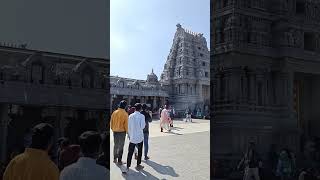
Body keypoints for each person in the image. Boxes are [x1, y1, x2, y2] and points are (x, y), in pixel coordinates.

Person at [124, 103, 145, 173]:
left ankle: (127, 166)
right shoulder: (142, 116)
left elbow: (128, 127)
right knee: (139, 151)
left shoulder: (130, 116)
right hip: (139, 137)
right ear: (140, 109)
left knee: (130, 152)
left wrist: (129, 135)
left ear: (135, 108)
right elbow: (142, 127)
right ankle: (138, 164)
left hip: (132, 137)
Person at [110, 100, 128, 165]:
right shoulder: (125, 114)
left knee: (115, 145)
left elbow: (111, 122)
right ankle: (119, 160)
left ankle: (114, 159)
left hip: (115, 131)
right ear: (125, 106)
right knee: (121, 146)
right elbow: (126, 125)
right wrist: (127, 132)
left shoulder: (114, 112)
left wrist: (113, 128)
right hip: (122, 132)